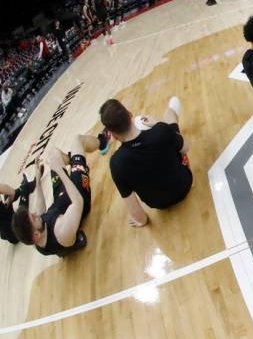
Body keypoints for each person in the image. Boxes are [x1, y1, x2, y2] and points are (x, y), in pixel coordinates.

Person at [100, 97, 191, 227]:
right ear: (130, 115)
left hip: (159, 204)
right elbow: (186, 147)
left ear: (112, 135)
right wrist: (159, 125)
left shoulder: (116, 163)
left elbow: (134, 207)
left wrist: (141, 221)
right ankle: (171, 114)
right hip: (185, 185)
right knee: (169, 114)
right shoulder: (161, 131)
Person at [11, 133, 106, 257]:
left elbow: (40, 210)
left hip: (60, 200)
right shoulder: (61, 232)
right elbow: (78, 202)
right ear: (36, 235)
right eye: (33, 218)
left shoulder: (35, 236)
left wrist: (38, 180)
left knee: (54, 153)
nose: (35, 214)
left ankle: (74, 159)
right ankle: (102, 143)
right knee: (78, 140)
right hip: (78, 195)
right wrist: (60, 171)